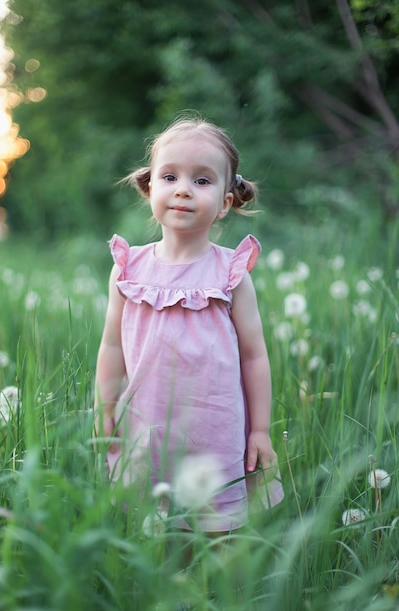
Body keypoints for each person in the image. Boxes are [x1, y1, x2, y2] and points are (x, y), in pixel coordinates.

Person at [94, 115, 283, 533]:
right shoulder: (128, 269)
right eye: (170, 176)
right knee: (155, 526)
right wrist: (104, 407)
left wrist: (261, 429)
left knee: (219, 528)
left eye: (202, 180)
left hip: (214, 427)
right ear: (149, 189)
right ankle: (166, 596)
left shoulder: (231, 275)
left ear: (225, 203)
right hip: (146, 422)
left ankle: (222, 596)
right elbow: (111, 347)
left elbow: (254, 356)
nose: (183, 188)